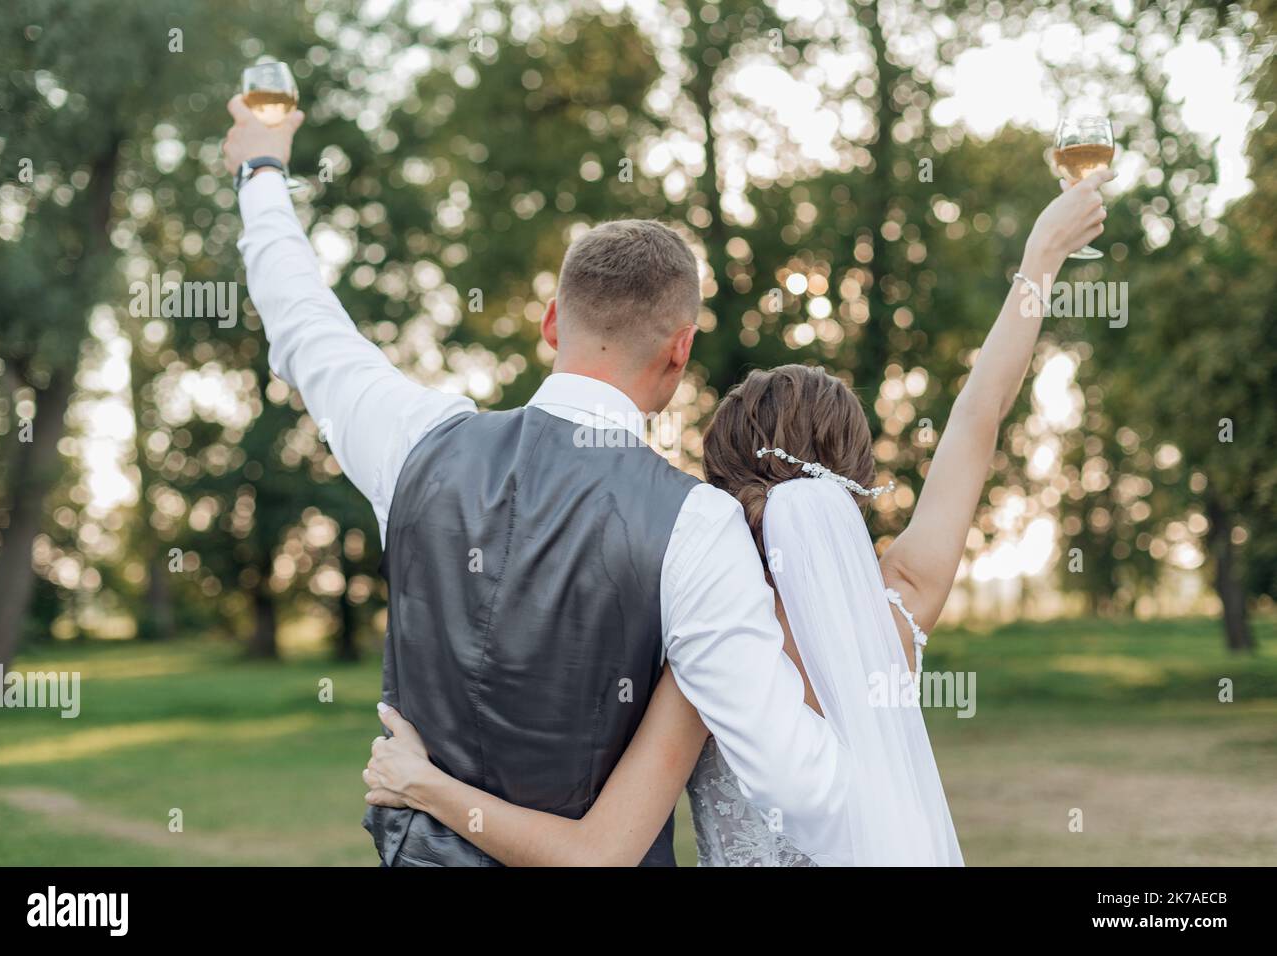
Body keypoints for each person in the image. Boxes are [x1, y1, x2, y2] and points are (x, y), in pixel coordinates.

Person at [360, 167, 1116, 865]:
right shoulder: (900, 606)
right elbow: (977, 419)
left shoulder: (701, 664)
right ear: (853, 483)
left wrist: (421, 785)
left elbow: (597, 855)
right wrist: (1039, 259)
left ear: (723, 483)